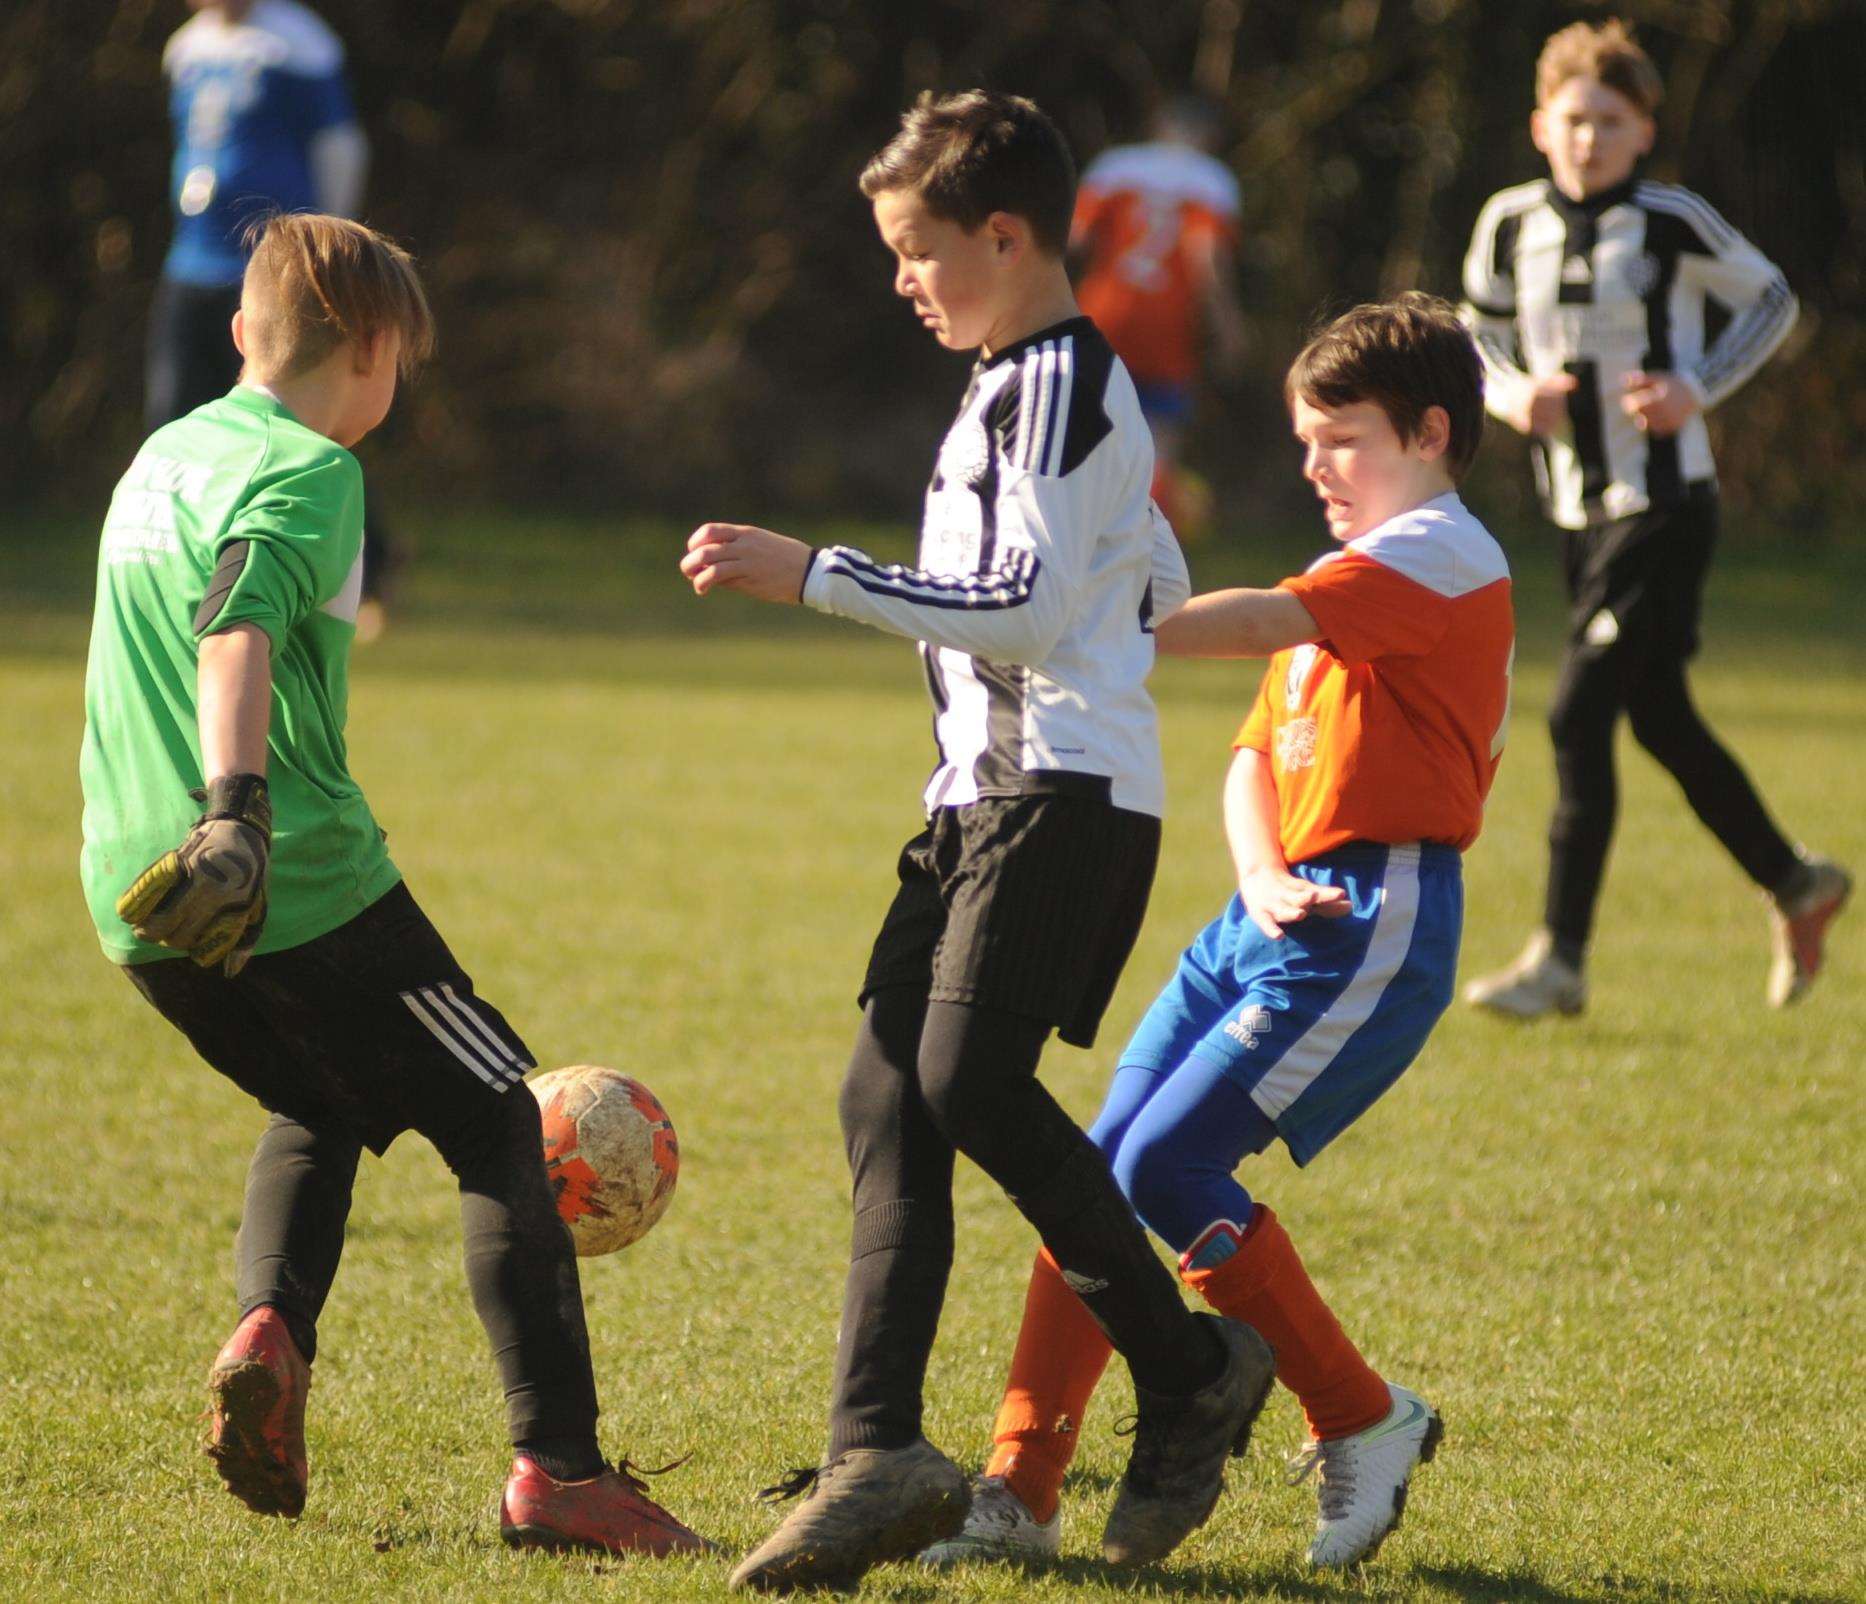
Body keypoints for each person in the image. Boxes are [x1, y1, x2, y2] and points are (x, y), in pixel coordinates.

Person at [679, 90, 1275, 1594]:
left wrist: (809, 573)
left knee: (963, 1080)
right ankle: (875, 1450)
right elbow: (1141, 575)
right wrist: (1120, 580)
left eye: (916, 250)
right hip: (978, 800)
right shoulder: (1026, 382)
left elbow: (1021, 604)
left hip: (1059, 798)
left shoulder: (1057, 384)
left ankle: (1190, 1369)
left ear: (1001, 236)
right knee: (886, 1091)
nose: (901, 279)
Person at [82, 213, 706, 1558]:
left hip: (129, 898)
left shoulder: (163, 453)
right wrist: (237, 819)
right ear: (374, 351)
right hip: (279, 873)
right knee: (499, 1119)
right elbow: (237, 625)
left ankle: (269, 1331)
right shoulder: (312, 472)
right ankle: (562, 1474)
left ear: (244, 333)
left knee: (323, 1096)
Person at [920, 293, 1512, 1572]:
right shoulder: (1359, 585)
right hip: (1265, 906)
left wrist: (1093, 617)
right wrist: (1254, 869)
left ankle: (1364, 1414)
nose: (1315, 466)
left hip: (1369, 913)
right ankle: (1022, 1482)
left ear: (1431, 430)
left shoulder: (1442, 553)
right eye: (1307, 440)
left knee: (1167, 1166)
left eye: (1343, 438)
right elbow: (1254, 758)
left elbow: (1250, 618)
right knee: (1095, 1164)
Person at [1459, 17, 1848, 1018]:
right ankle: (1795, 880)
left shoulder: (1672, 218)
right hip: (1577, 511)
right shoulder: (1508, 222)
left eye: (1611, 120)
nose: (1590, 137)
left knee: (1576, 708)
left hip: (1668, 501)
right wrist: (1511, 397)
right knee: (1659, 718)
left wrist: (1695, 387)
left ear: (1644, 132)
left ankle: (1561, 956)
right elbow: (1477, 331)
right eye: (1574, 119)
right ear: (1542, 126)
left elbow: (1771, 302)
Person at [149, 0, 401, 638]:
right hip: (193, 262)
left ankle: (367, 567)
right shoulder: (185, 48)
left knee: (314, 423)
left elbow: (339, 145)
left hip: (277, 275)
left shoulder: (299, 43)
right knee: (174, 420)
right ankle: (185, 569)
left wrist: (328, 257)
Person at [1072, 96, 1248, 540]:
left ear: (1159, 122)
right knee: (1159, 439)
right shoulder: (1212, 181)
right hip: (1166, 325)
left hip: (1102, 314)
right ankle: (1143, 542)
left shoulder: (1114, 166)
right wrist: (1228, 324)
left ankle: (1074, 530)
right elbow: (1204, 257)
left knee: (1084, 425)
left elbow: (1072, 240)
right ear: (1209, 137)